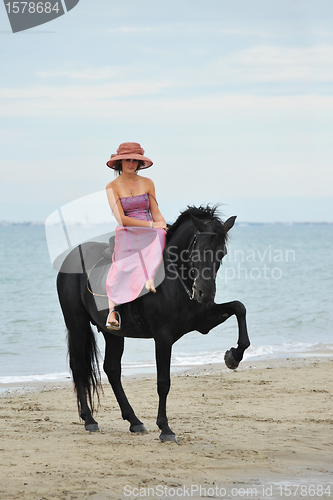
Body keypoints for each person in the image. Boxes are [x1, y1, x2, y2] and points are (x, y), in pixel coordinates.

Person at [105, 142, 167, 330]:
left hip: (151, 229)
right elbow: (121, 219)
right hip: (128, 231)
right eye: (127, 160)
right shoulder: (111, 186)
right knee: (120, 265)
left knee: (162, 235)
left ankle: (150, 278)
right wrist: (151, 224)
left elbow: (155, 212)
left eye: (135, 160)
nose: (131, 163)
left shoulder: (148, 183)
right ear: (120, 162)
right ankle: (112, 312)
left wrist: (162, 224)